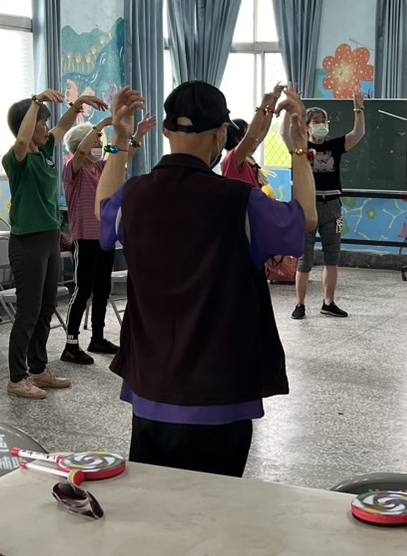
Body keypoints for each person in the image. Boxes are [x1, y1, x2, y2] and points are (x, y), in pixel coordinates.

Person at [95, 82, 316, 477]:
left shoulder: (134, 196)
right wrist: (298, 150)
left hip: (152, 387)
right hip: (219, 392)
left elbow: (102, 209)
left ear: (166, 131)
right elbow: (306, 220)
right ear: (220, 134)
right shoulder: (240, 201)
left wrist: (120, 140)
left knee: (152, 501)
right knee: (216, 506)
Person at [2, 88, 106, 399]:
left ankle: (38, 369)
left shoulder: (47, 150)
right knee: (28, 312)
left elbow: (62, 128)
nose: (47, 128)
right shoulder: (16, 158)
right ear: (26, 125)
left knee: (46, 308)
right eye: (41, 122)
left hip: (50, 238)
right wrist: (36, 102)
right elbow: (22, 142)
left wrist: (78, 106)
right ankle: (17, 378)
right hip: (27, 242)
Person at [59, 115, 154, 365]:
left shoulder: (101, 168)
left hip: (105, 237)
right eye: (95, 142)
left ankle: (98, 338)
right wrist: (100, 125)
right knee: (83, 289)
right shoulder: (73, 169)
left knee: (102, 289)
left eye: (100, 143)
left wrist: (139, 134)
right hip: (85, 239)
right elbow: (81, 151)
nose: (99, 146)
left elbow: (124, 155)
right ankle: (71, 344)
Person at [294, 88, 366, 320]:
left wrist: (358, 109)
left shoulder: (334, 146)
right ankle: (300, 304)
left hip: (333, 207)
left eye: (323, 121)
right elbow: (291, 133)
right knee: (305, 260)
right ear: (307, 126)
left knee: (331, 258)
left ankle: (329, 303)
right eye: (316, 121)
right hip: (307, 208)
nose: (321, 124)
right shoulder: (300, 147)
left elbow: (358, 133)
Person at [221, 83, 285, 190]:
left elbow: (262, 130)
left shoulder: (246, 157)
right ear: (238, 140)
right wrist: (263, 106)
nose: (256, 138)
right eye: (248, 133)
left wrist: (273, 101)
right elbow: (251, 136)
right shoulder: (233, 158)